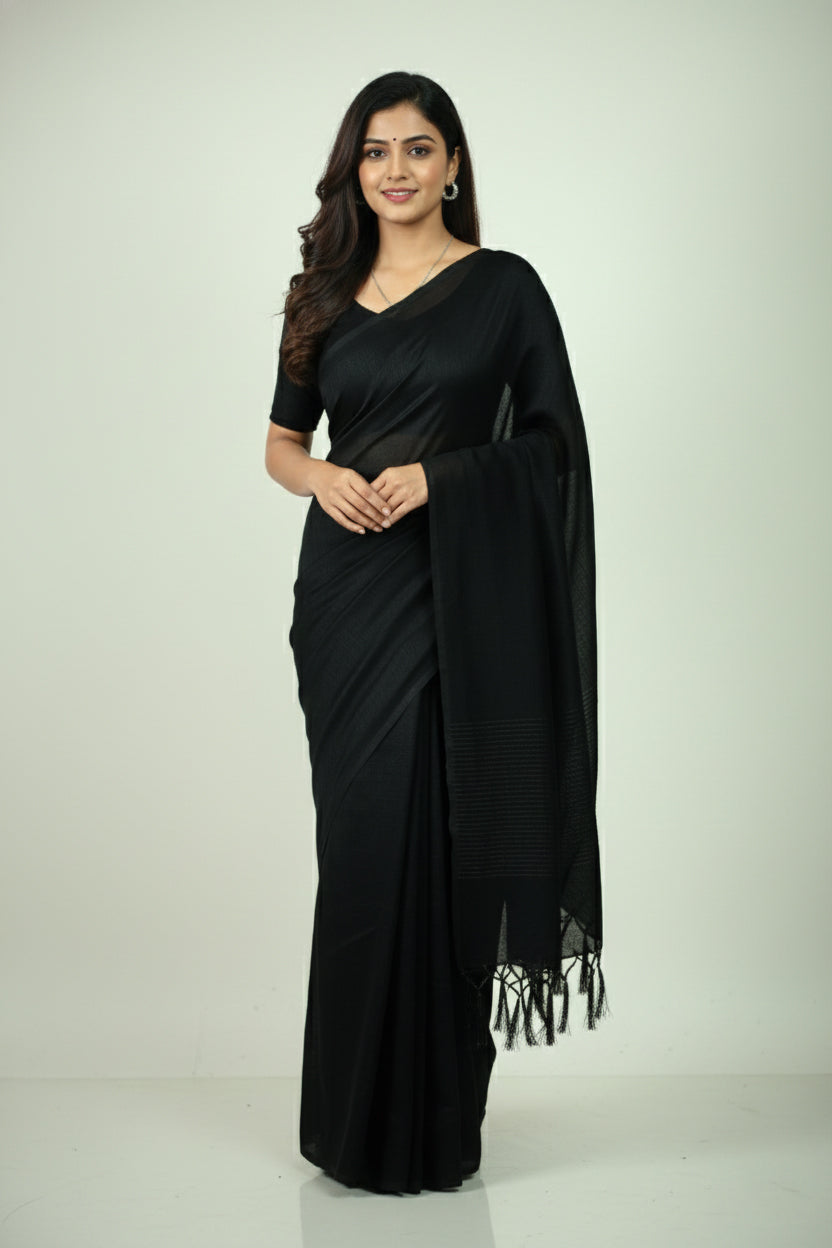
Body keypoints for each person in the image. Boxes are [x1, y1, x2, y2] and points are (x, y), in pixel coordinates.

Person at [264, 71, 607, 1196]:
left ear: (453, 164)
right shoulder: (321, 295)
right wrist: (325, 479)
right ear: (353, 170)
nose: (396, 170)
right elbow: (280, 445)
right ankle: (352, 1125)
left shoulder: (504, 290)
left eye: (418, 148)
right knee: (363, 847)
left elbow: (553, 445)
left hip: (462, 600)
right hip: (348, 602)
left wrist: (440, 478)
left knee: (451, 841)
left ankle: (437, 1127)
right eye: (375, 151)